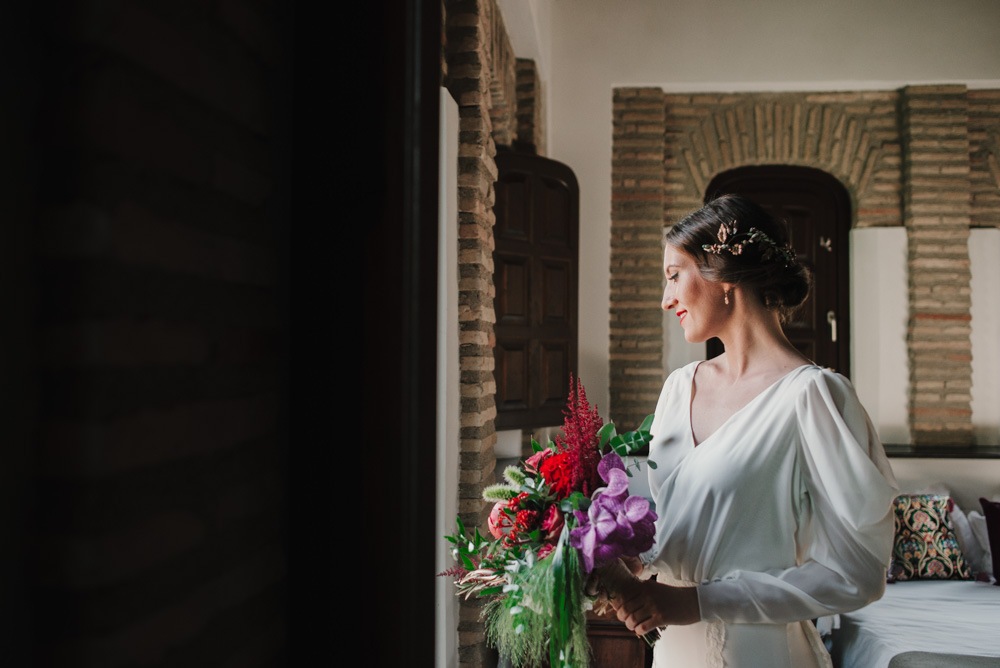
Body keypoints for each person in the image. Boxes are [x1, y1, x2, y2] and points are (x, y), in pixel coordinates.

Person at [602, 193, 899, 668]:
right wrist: (629, 560)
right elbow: (684, 527)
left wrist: (696, 603)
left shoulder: (814, 398)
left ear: (724, 274)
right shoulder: (679, 390)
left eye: (674, 275)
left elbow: (857, 574)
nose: (666, 299)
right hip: (677, 654)